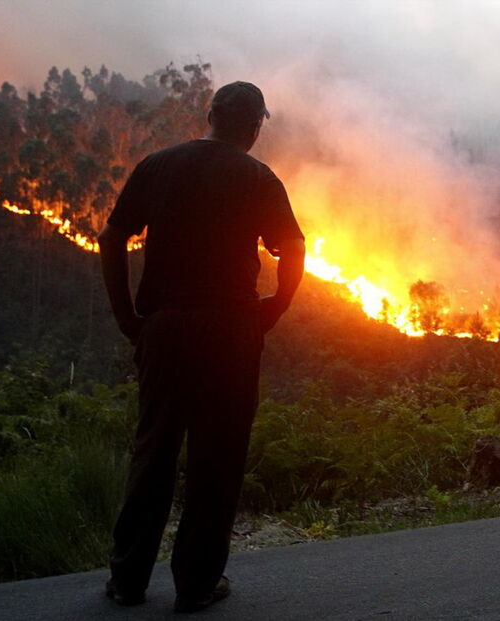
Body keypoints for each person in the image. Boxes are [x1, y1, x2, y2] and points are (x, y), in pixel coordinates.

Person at [97, 81, 305, 612]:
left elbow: (112, 236)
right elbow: (294, 247)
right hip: (230, 333)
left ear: (209, 113)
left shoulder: (159, 165)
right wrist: (274, 308)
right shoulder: (258, 177)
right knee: (217, 456)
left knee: (154, 451)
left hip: (165, 328)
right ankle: (195, 584)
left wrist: (127, 315)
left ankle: (127, 579)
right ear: (257, 125)